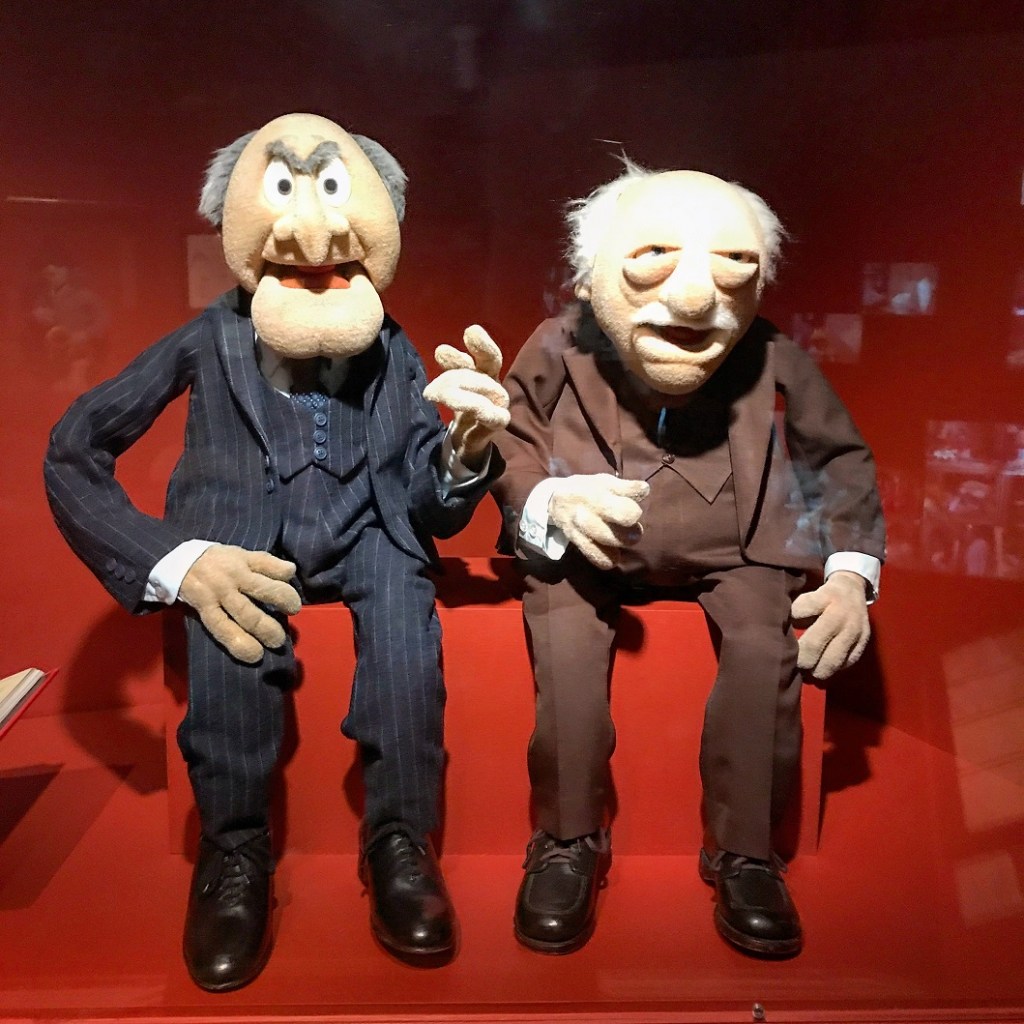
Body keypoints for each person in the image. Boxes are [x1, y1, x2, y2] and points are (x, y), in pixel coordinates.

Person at [44, 113, 509, 989]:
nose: (313, 234)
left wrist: (463, 454)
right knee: (227, 670)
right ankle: (235, 852)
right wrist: (175, 560)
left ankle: (400, 841)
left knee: (408, 661)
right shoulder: (209, 338)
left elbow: (430, 508)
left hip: (373, 534)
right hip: (243, 542)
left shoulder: (394, 348)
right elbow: (75, 448)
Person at [490, 161, 885, 958]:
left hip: (740, 548)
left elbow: (837, 456)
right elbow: (509, 429)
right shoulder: (560, 342)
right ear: (593, 271)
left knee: (764, 653)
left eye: (732, 264)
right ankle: (567, 837)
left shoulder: (768, 352)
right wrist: (547, 501)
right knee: (565, 657)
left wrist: (850, 573)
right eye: (655, 258)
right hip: (591, 543)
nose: (697, 298)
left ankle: (746, 851)